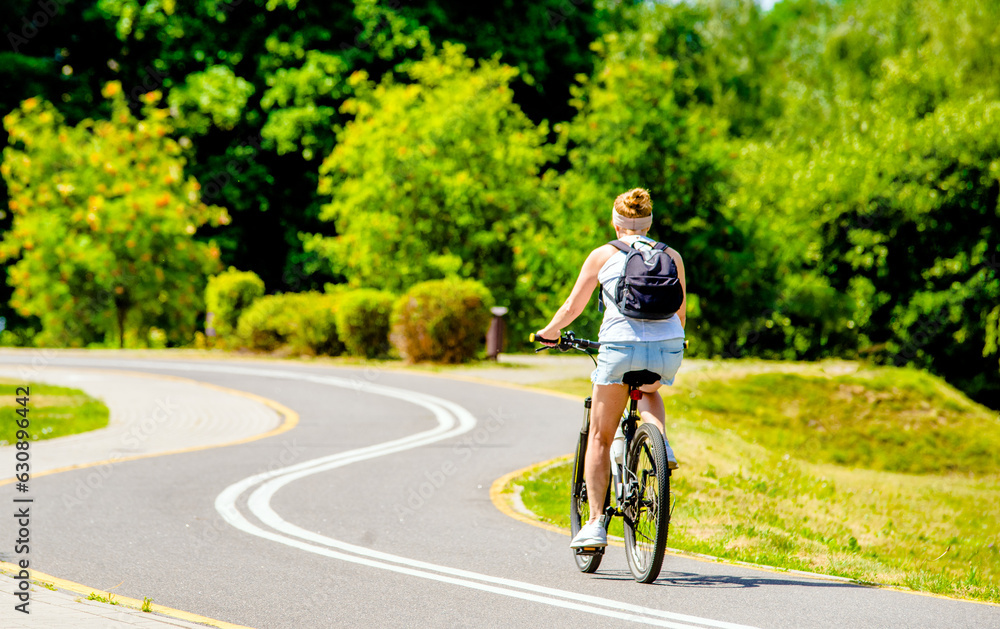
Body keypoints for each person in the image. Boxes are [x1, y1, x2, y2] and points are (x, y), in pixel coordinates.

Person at [535, 187, 686, 549]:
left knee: (600, 437)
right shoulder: (672, 256)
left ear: (615, 223)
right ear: (649, 222)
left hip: (619, 348)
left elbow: (573, 307)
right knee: (649, 389)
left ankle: (595, 524)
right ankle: (660, 447)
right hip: (667, 347)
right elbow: (680, 311)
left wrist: (549, 333)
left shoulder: (603, 255)